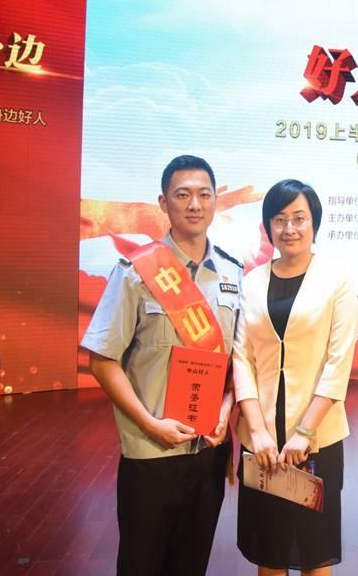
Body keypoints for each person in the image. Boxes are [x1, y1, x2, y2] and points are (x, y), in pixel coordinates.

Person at [80, 155, 242, 576]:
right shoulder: (136, 272)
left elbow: (238, 364)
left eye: (204, 194)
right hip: (150, 451)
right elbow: (102, 360)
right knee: (141, 563)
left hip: (208, 450)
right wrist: (150, 424)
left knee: (192, 563)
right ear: (163, 203)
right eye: (182, 195)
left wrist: (226, 411)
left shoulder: (233, 275)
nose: (195, 204)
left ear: (215, 201)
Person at [233, 179, 357, 576]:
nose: (289, 228)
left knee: (314, 550)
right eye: (280, 219)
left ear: (314, 223)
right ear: (268, 226)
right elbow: (242, 358)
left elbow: (338, 364)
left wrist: (304, 433)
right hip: (262, 442)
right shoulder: (251, 282)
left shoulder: (337, 280)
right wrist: (258, 431)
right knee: (269, 548)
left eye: (299, 218)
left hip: (317, 437)